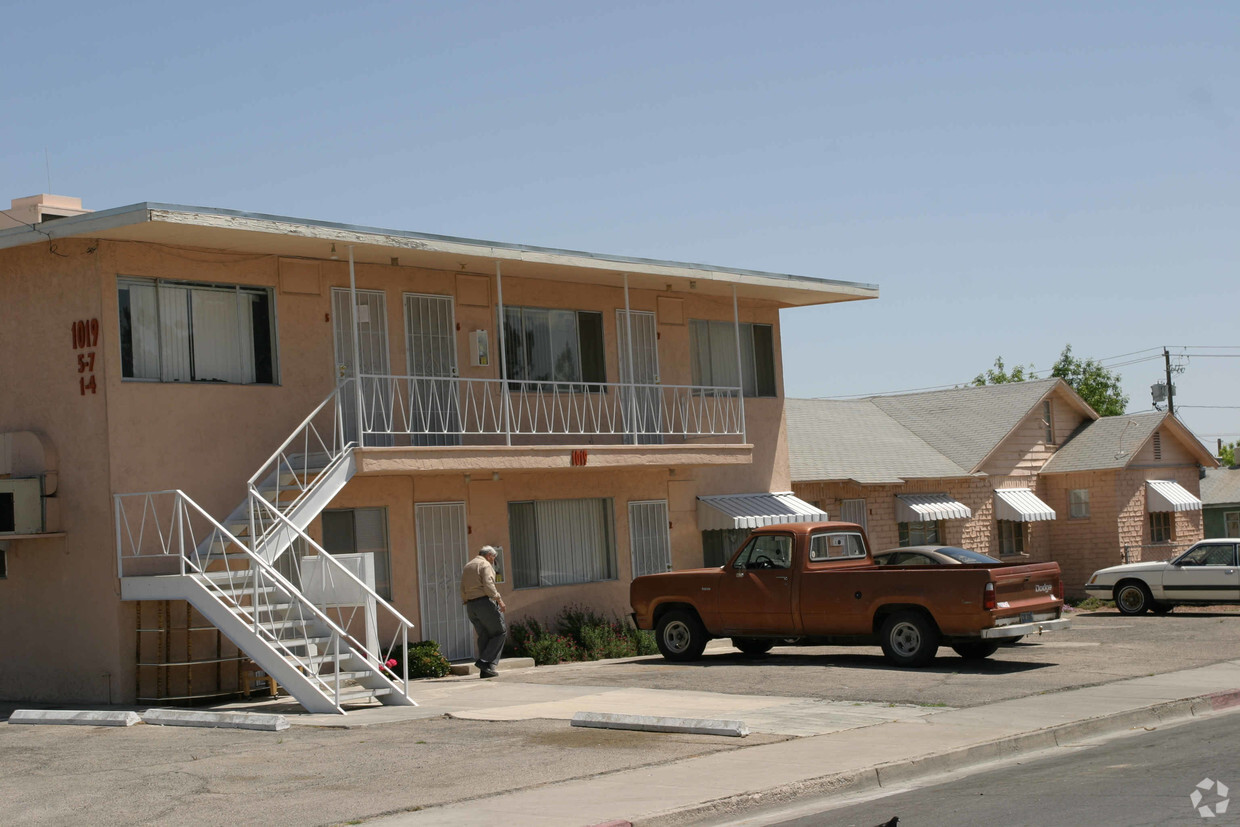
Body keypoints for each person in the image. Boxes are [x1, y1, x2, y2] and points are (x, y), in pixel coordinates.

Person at [460, 545, 506, 678]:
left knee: (484, 635)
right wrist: (499, 600)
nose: (493, 560)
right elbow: (488, 585)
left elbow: (462, 587)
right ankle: (484, 662)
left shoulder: (468, 566)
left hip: (471, 605)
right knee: (500, 632)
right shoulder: (485, 565)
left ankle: (486, 671)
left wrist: (466, 601)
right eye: (493, 557)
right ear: (489, 555)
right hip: (484, 603)